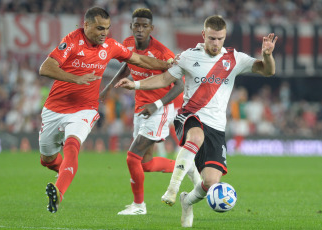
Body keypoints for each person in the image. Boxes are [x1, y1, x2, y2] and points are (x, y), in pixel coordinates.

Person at [115, 15, 277, 227]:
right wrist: (135, 85)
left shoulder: (234, 59)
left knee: (210, 183)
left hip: (217, 127)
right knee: (196, 135)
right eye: (211, 38)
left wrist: (267, 56)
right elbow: (165, 79)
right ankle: (172, 189)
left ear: (225, 37)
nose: (215, 43)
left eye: (219, 39)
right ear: (203, 35)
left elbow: (268, 70)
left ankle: (187, 201)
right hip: (189, 115)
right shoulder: (188, 57)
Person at [38, 6, 172, 214]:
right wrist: (76, 78)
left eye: (107, 29)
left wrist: (167, 64)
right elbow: (45, 68)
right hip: (54, 109)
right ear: (87, 25)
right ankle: (61, 170)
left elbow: (138, 59)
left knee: (72, 146)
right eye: (100, 28)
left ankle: (58, 193)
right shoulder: (72, 41)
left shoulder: (110, 45)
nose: (104, 33)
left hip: (85, 109)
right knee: (47, 159)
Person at [99, 8, 200, 215]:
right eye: (136, 25)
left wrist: (156, 105)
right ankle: (186, 166)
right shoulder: (127, 44)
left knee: (132, 157)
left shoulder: (163, 54)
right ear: (131, 26)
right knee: (145, 164)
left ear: (151, 28)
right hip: (140, 108)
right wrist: (109, 86)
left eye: (144, 26)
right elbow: (129, 64)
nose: (140, 29)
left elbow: (179, 87)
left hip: (158, 109)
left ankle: (139, 206)